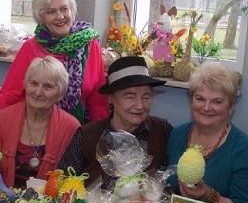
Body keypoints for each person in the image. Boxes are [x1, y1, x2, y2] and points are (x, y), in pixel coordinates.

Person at [0, 0, 108, 124]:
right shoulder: (30, 48)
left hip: (79, 128)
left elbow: (99, 99)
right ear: (41, 18)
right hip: (35, 128)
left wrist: (98, 134)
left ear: (71, 11)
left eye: (64, 9)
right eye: (51, 12)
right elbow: (13, 93)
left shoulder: (89, 44)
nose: (60, 16)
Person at [166, 62, 248, 203]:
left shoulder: (244, 148)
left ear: (231, 107)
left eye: (217, 101)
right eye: (200, 98)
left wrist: (209, 196)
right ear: (191, 100)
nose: (206, 107)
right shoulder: (177, 135)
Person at [58, 55, 172, 191]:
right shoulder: (86, 136)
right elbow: (62, 181)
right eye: (130, 96)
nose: (140, 105)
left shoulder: (162, 131)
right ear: (110, 98)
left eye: (146, 97)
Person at [0, 56, 80, 189]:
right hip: (0, 202)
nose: (38, 92)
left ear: (61, 94)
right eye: (33, 83)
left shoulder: (72, 128)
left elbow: (70, 182)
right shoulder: (2, 119)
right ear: (25, 85)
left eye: (48, 87)